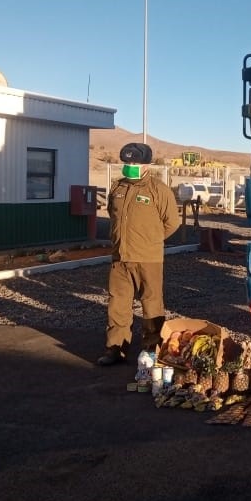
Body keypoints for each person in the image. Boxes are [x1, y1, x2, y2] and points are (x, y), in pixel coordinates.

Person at [97, 142, 182, 366]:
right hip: (120, 258)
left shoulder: (158, 189)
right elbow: (113, 215)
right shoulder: (117, 187)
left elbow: (172, 222)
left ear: (146, 165)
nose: (130, 166)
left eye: (134, 162)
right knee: (117, 305)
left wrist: (151, 240)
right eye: (127, 162)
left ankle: (152, 350)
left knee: (151, 305)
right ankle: (115, 349)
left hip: (148, 258)